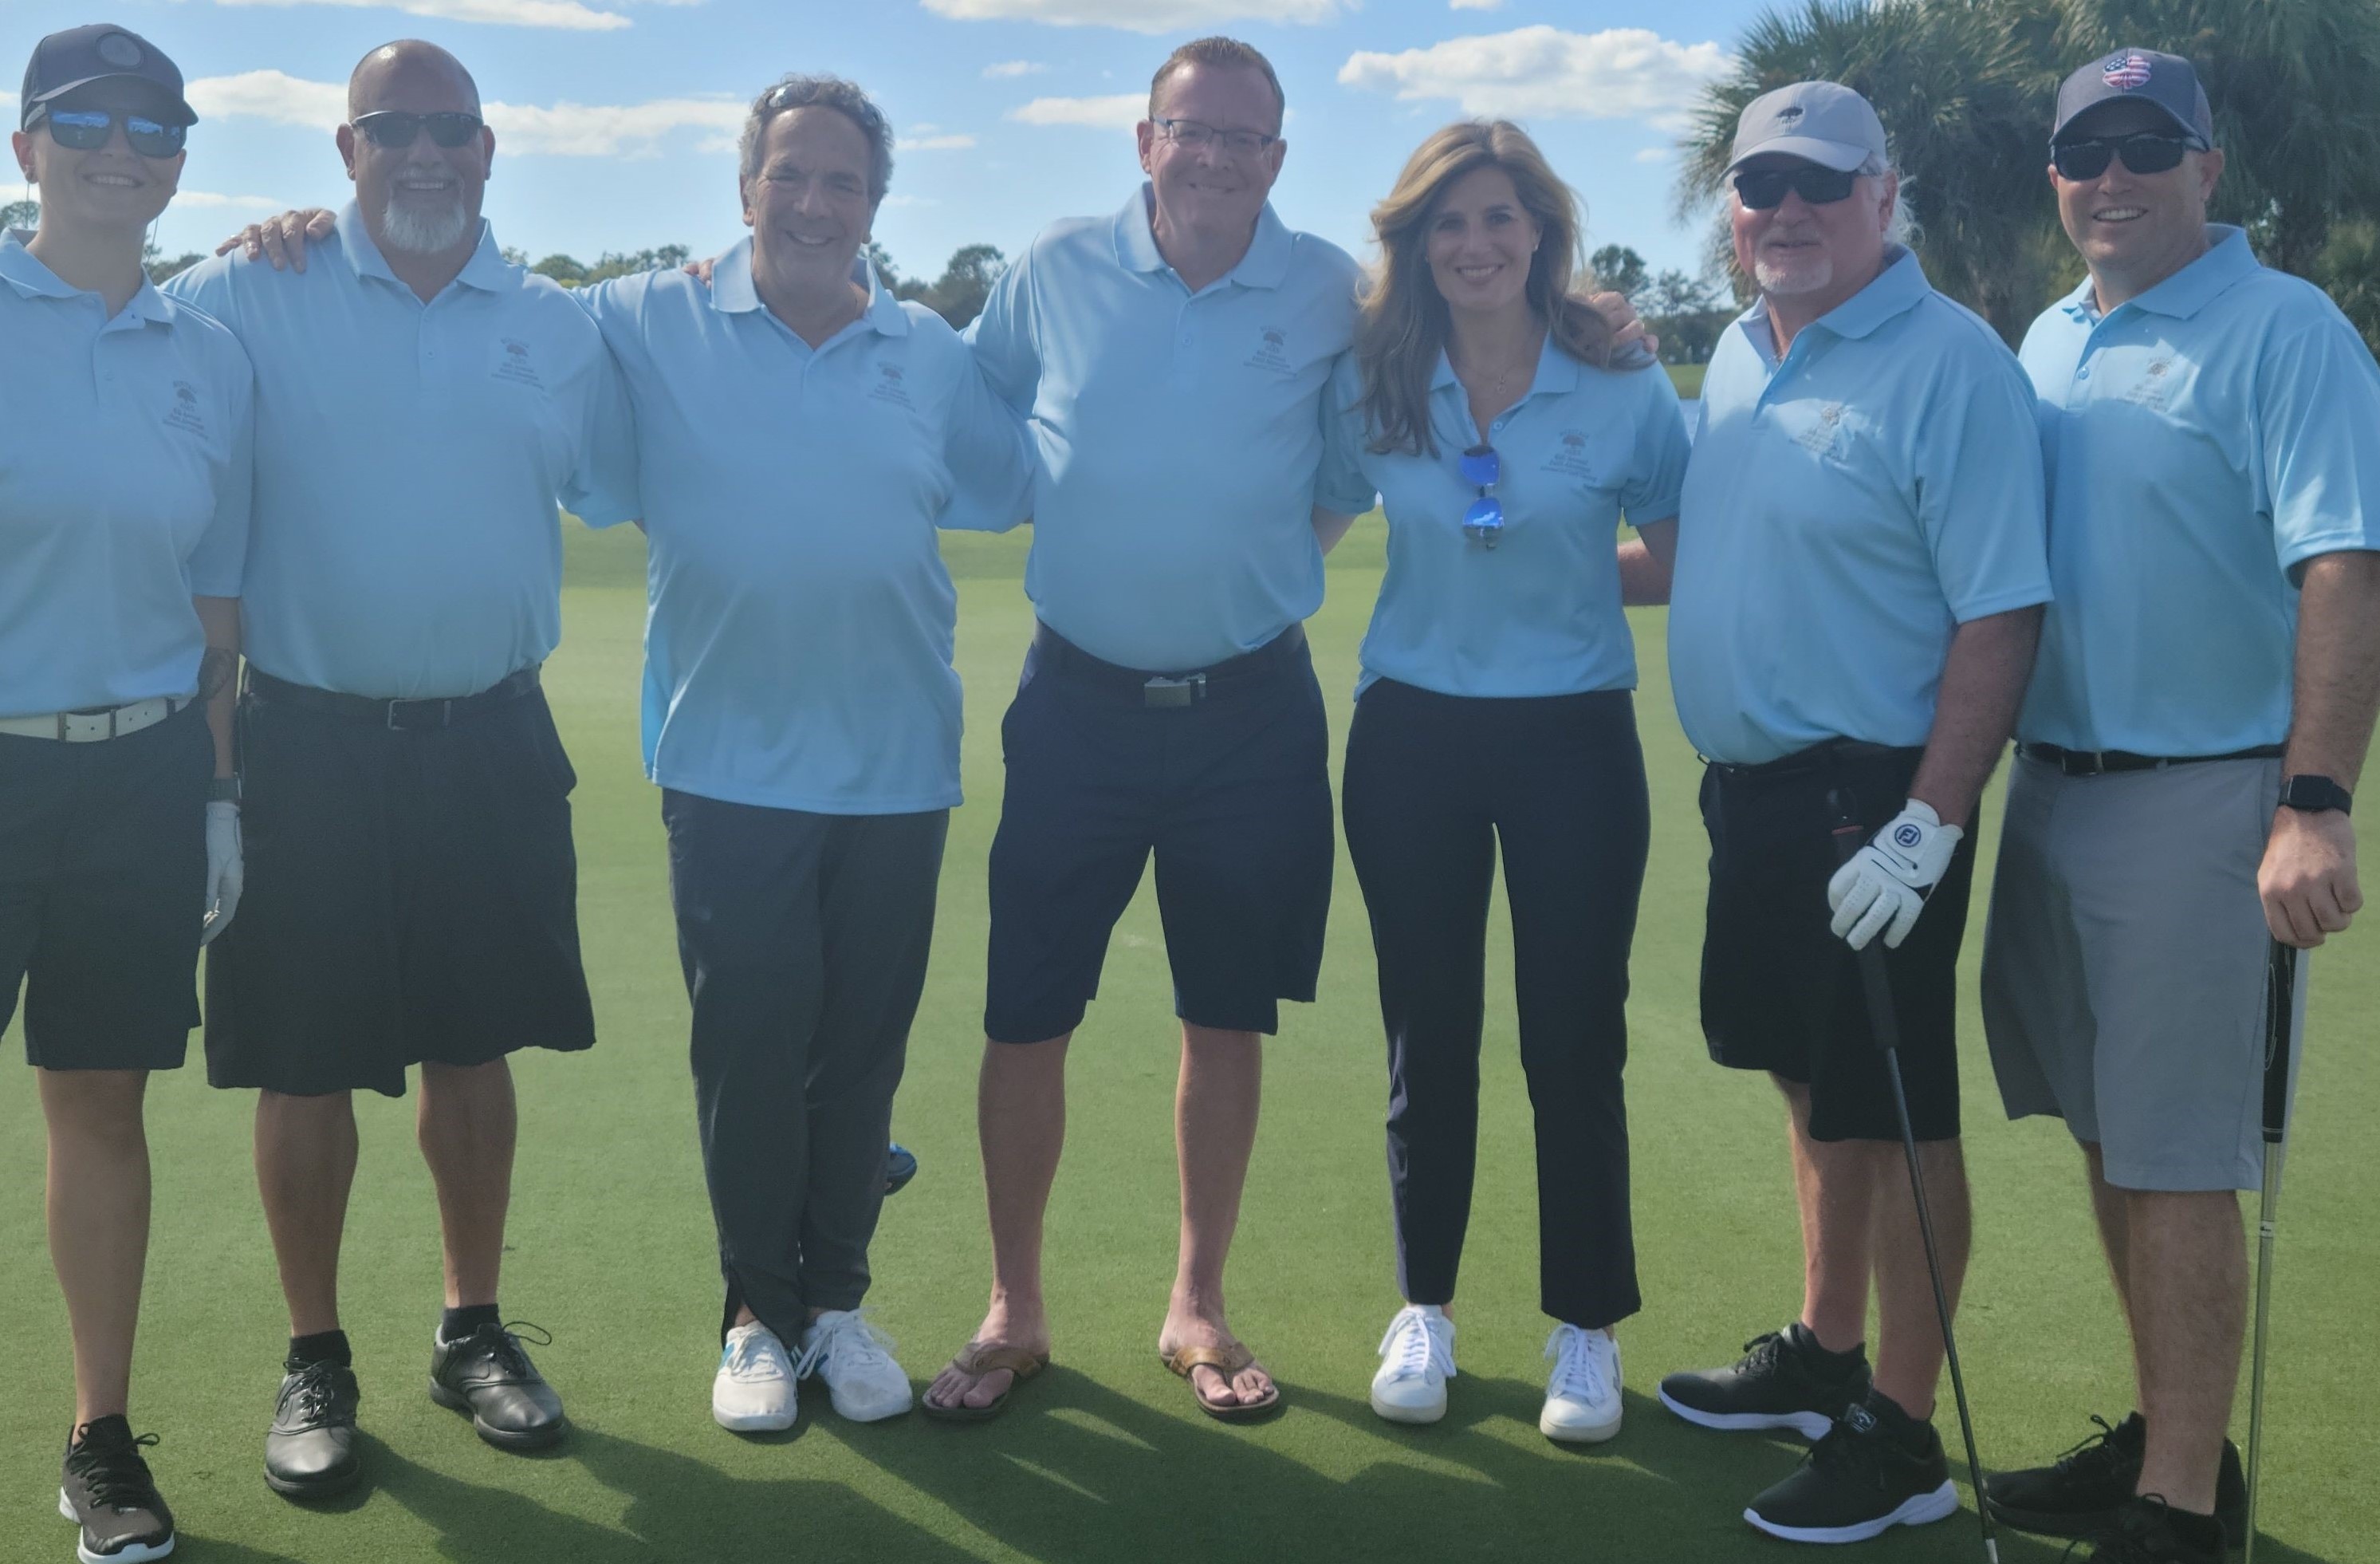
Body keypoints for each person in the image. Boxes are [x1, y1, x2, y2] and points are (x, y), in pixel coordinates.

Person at [163, 38, 633, 1497]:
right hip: (303, 743)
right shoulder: (250, 291)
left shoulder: (556, 323)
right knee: (302, 1067)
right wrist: (215, 780)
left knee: (472, 1044)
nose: (425, 155)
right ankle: (319, 1354)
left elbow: (629, 474)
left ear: (489, 150)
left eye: (451, 131)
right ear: (345, 148)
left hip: (490, 735)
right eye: (394, 130)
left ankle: (470, 1326)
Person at [915, 35, 1369, 1424]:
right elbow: (970, 406)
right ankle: (1013, 1308)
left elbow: (1343, 473)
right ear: (1144, 140)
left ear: (1277, 160)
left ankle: (1197, 1302)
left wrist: (1243, 578)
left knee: (1222, 1016)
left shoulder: (1327, 289)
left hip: (1252, 712)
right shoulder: (1050, 269)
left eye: (1246, 138)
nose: (1218, 156)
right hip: (1077, 705)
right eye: (1194, 130)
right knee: (1024, 1017)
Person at [573, 73, 1031, 1433]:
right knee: (751, 1049)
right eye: (793, 175)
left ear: (875, 204)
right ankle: (753, 1316)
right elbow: (489, 316)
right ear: (745, 185)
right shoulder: (646, 318)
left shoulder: (929, 354)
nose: (816, 202)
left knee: (859, 1054)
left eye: (845, 182)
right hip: (726, 761)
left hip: (897, 765)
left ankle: (832, 1300)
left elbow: (1025, 472)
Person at [1976, 49, 2380, 1564]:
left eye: (2150, 145)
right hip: (2052, 790)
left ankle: (2179, 1512)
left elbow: (2345, 565)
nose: (2113, 175)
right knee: (2104, 1137)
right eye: (2086, 151)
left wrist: (2315, 804)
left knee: (2175, 1155)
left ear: (2209, 167)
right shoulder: (2046, 336)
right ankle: (2170, 1434)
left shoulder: (2288, 329)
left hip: (2203, 802)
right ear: (2057, 178)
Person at [1653, 81, 2050, 1544]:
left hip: (1872, 805)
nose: (1786, 209)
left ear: (1885, 192)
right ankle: (1821, 1353)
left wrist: (1930, 822)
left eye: (1821, 181)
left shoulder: (1952, 364)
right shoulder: (1742, 355)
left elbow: (2001, 611)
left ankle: (1898, 1433)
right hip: (1755, 797)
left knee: (1897, 1106)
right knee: (1811, 1081)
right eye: (1761, 185)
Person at [1328, 120, 1688, 1444]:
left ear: (1540, 232)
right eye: (1449, 222)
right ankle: (1423, 1307)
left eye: (1499, 218)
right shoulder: (1375, 374)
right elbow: (1306, 515)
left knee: (1571, 1036)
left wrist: (1560, 583)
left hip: (1573, 742)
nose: (1474, 243)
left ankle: (1583, 1328)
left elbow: (1680, 549)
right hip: (1410, 736)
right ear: (1417, 242)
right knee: (1429, 1036)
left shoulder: (1620, 379)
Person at [4, 25, 248, 1563]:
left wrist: (220, 793)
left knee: (100, 1100)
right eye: (84, 120)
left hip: (152, 767)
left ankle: (100, 1436)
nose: (121, 146)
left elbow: (219, 605)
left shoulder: (207, 351)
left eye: (153, 124)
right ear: (27, 145)